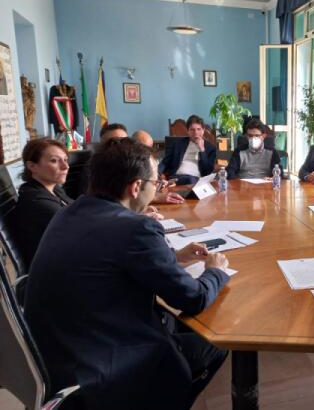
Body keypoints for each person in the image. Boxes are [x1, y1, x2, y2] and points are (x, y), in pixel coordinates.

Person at [25, 138, 230, 410]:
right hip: (103, 368)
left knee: (172, 324)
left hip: (56, 356)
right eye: (155, 183)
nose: (156, 189)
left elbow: (108, 260)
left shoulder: (69, 212)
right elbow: (194, 299)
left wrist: (174, 258)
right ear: (135, 187)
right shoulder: (136, 229)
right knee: (217, 341)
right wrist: (215, 271)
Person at [12, 138, 72, 272]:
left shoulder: (54, 189)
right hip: (53, 274)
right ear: (32, 166)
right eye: (54, 161)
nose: (65, 166)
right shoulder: (37, 203)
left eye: (65, 160)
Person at [159, 115, 216, 185]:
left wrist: (202, 150)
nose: (196, 132)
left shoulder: (211, 148)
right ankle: (172, 182)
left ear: (203, 130)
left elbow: (207, 171)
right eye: (192, 130)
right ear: (188, 131)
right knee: (189, 180)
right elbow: (165, 162)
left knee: (191, 180)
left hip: (196, 179)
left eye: (199, 129)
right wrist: (157, 174)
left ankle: (172, 183)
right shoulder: (177, 144)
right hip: (177, 176)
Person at [133, 129, 185, 205]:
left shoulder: (148, 160)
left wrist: (160, 183)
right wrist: (156, 198)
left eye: (150, 148)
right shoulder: (130, 164)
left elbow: (148, 181)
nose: (149, 152)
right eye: (146, 148)